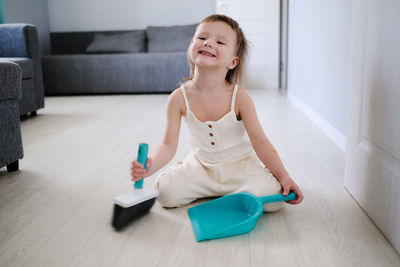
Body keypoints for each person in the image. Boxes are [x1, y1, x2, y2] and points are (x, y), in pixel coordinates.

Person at [131, 14, 303, 211]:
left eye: (220, 41)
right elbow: (168, 145)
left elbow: (260, 142)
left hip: (239, 166)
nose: (209, 43)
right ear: (191, 47)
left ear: (232, 62)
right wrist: (150, 166)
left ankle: (239, 186)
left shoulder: (240, 98)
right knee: (165, 195)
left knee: (274, 201)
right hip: (201, 166)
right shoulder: (178, 98)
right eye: (202, 38)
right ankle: (184, 170)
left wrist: (284, 176)